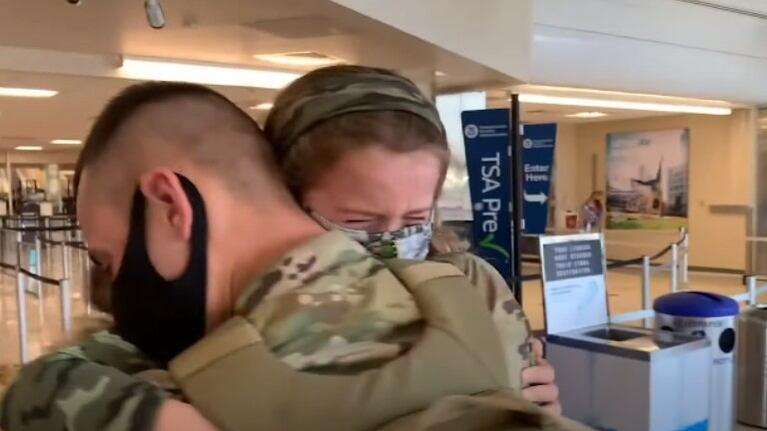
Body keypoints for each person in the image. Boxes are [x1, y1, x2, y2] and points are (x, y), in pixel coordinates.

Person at [0, 82, 587, 431]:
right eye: (359, 219)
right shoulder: (462, 308)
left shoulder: (183, 388)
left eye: (107, 258)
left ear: (169, 205)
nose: (387, 241)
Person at [263, 64, 560, 413]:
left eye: (416, 218)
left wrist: (540, 412)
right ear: (286, 197)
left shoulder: (472, 283)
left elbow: (527, 405)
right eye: (360, 219)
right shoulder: (254, 311)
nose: (392, 238)